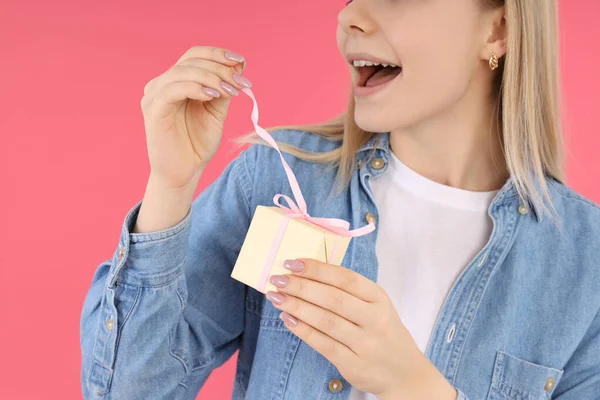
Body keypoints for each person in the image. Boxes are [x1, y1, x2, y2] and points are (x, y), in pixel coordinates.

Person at [80, 0, 600, 399]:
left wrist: (413, 385)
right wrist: (170, 186)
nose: (350, 16)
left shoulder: (585, 263)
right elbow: (130, 389)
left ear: (498, 28)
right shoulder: (277, 182)